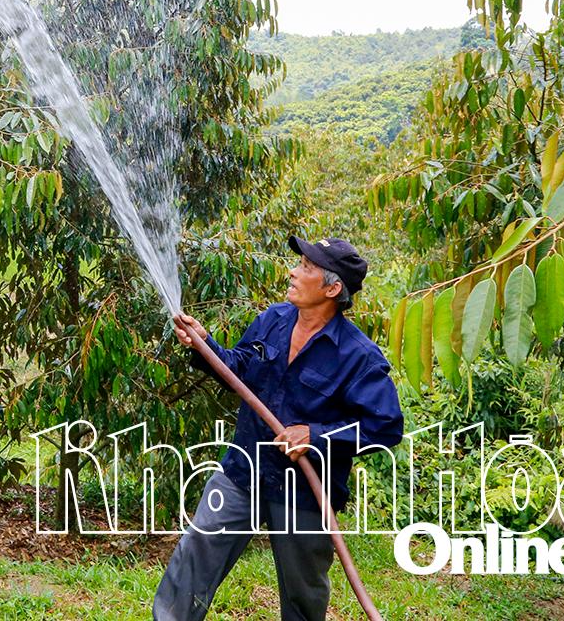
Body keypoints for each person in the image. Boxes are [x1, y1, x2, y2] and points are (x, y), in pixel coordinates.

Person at [151, 235, 404, 621]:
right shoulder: (273, 320)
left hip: (304, 492)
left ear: (332, 288)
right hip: (242, 472)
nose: (292, 271)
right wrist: (204, 345)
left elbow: (384, 429)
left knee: (303, 594)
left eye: (306, 267)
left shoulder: (358, 356)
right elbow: (238, 368)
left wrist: (315, 436)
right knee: (194, 559)